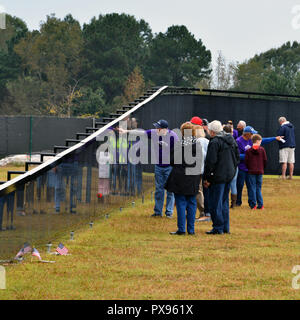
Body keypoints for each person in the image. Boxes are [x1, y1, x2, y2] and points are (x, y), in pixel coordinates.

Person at [118, 119, 179, 218]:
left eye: (158, 128)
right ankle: (157, 212)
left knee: (170, 191)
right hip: (158, 166)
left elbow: (178, 151)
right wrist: (126, 131)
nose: (156, 129)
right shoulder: (154, 133)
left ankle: (169, 213)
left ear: (164, 129)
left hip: (170, 167)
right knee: (159, 189)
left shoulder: (173, 136)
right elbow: (141, 133)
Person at [203, 120, 240, 235]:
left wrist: (207, 177)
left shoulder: (215, 142)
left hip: (218, 176)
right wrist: (232, 170)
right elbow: (237, 158)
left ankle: (218, 227)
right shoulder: (231, 140)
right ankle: (225, 227)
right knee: (224, 202)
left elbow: (210, 161)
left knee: (216, 202)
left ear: (212, 131)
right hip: (228, 175)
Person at [165, 122, 202, 235]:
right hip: (193, 176)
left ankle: (181, 229)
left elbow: (171, 160)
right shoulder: (197, 145)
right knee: (191, 202)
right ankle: (191, 230)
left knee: (180, 202)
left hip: (179, 176)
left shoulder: (179, 144)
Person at [236, 126, 282, 207]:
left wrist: (275, 138)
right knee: (239, 186)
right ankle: (238, 202)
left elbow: (263, 140)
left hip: (250, 169)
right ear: (247, 134)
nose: (254, 135)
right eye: (252, 134)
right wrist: (249, 155)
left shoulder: (252, 140)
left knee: (251, 187)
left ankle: (252, 203)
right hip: (242, 168)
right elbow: (237, 156)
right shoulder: (238, 141)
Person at [245, 134, 267, 210]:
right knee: (258, 188)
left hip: (251, 171)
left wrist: (250, 168)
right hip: (260, 171)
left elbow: (246, 162)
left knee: (252, 188)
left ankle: (253, 205)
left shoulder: (248, 151)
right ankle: (261, 205)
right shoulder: (262, 150)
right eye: (260, 141)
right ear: (258, 141)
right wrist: (261, 168)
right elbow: (265, 161)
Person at [193, 125, 210, 222]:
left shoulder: (195, 142)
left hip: (197, 170)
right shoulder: (208, 142)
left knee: (198, 191)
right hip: (206, 170)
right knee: (204, 191)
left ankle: (204, 211)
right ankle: (205, 211)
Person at [223, 124, 238, 208]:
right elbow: (237, 155)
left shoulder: (221, 141)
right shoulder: (234, 142)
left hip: (225, 166)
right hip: (234, 165)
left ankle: (224, 201)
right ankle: (233, 203)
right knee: (233, 184)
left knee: (224, 184)